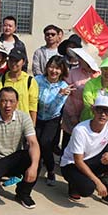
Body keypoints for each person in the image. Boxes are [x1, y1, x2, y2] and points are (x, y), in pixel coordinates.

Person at [59, 95, 108, 211]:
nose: (103, 114)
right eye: (100, 110)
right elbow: (78, 161)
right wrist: (97, 182)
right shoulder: (80, 130)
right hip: (72, 164)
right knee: (87, 189)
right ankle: (74, 184)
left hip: (92, 160)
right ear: (93, 110)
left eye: (107, 111)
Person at [0, 87, 40, 209]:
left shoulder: (24, 117)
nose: (8, 105)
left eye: (11, 101)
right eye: (4, 101)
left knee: (33, 159)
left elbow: (33, 143)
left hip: (14, 157)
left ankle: (23, 194)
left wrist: (34, 166)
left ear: (17, 103)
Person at [35, 55, 70, 186]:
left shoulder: (64, 86)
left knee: (45, 143)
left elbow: (53, 109)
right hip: (37, 116)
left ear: (62, 70)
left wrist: (59, 95)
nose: (53, 71)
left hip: (52, 119)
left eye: (57, 68)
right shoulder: (38, 80)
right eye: (51, 67)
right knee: (34, 142)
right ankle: (34, 167)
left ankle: (50, 170)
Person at [60, 44, 101, 150]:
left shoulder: (98, 75)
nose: (80, 60)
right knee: (68, 140)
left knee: (85, 142)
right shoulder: (72, 73)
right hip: (72, 112)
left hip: (90, 115)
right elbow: (68, 95)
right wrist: (73, 115)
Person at [0, 47, 39, 125]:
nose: (13, 63)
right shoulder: (3, 79)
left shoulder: (29, 81)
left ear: (23, 62)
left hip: (23, 122)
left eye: (16, 61)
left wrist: (32, 125)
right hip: (6, 121)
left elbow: (33, 106)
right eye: (11, 60)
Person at [81, 57, 108, 121]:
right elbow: (88, 103)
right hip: (87, 119)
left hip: (105, 122)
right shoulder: (90, 83)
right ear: (101, 69)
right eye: (105, 69)